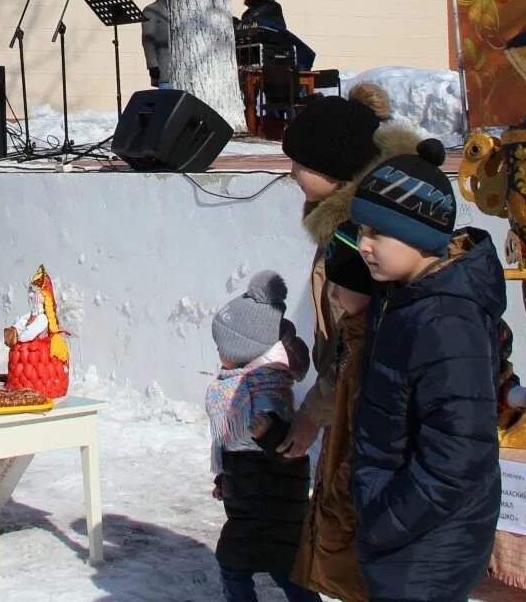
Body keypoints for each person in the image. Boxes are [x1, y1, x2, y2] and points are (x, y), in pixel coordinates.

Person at [280, 85, 441, 602]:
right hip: (363, 411)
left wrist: (312, 415)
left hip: (369, 416)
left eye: (298, 163)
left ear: (332, 168)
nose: (290, 173)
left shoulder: (356, 244)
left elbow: (355, 348)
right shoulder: (362, 227)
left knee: (358, 537)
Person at [348, 152, 506, 602]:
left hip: (431, 535)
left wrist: (386, 518)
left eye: (378, 232)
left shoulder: (445, 321)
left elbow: (459, 453)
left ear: (418, 235)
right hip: (408, 529)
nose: (364, 244)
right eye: (361, 230)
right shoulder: (404, 296)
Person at [206, 271, 320, 602]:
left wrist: (271, 434)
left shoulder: (265, 390)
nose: (219, 355)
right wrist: (225, 480)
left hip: (275, 505)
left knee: (274, 569)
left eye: (222, 347)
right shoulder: (248, 385)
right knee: (249, 566)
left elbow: (291, 448)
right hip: (251, 501)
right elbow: (235, 446)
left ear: (246, 350)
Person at [141, 0, 174, 89]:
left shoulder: (179, 10)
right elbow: (147, 40)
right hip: (164, 70)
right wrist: (152, 65)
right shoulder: (152, 9)